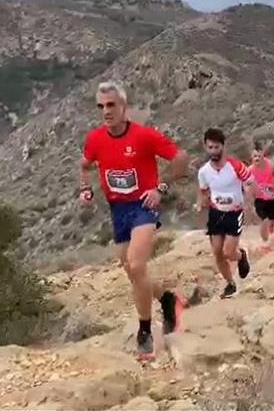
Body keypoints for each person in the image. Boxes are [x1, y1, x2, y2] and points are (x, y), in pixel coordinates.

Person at [79, 81, 190, 362]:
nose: (106, 111)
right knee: (132, 271)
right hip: (118, 209)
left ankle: (145, 332)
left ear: (124, 107)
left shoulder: (144, 136)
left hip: (143, 206)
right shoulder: (95, 139)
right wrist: (85, 188)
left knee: (137, 263)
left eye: (111, 105)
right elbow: (84, 164)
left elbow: (181, 157)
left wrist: (160, 187)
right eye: (101, 106)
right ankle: (168, 300)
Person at [195, 128, 257, 299]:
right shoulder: (204, 172)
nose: (213, 152)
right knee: (217, 252)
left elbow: (251, 182)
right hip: (216, 213)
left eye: (216, 147)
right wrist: (201, 203)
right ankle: (230, 284)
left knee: (228, 252)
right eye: (210, 148)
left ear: (223, 146)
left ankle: (241, 255)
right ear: (205, 147)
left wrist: (249, 201)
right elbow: (203, 191)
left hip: (234, 213)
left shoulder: (235, 166)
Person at [249, 142, 274, 253]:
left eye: (259, 156)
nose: (257, 158)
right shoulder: (250, 171)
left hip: (271, 198)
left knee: (272, 221)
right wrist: (250, 196)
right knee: (265, 220)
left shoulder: (271, 166)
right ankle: (265, 243)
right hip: (259, 199)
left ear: (263, 156)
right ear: (251, 158)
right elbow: (246, 185)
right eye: (254, 156)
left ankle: (271, 239)